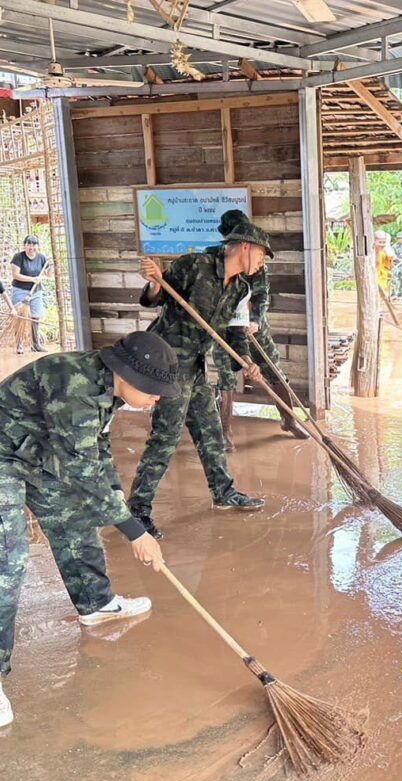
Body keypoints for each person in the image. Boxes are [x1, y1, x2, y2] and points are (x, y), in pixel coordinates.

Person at [0, 331, 175, 728]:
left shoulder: (108, 388)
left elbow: (97, 453)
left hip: (35, 450)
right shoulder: (76, 388)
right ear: (127, 374)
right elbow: (82, 470)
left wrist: (121, 505)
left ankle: (96, 603)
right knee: (8, 559)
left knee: (73, 519)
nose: (157, 398)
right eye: (153, 390)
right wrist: (134, 530)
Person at [130, 221, 270, 539]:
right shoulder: (196, 265)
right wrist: (154, 280)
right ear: (246, 247)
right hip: (167, 362)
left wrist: (245, 361)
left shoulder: (238, 289)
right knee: (165, 437)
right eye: (262, 255)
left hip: (194, 365)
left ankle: (223, 492)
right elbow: (156, 298)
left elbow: (234, 332)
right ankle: (137, 510)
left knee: (210, 430)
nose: (261, 263)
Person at [208, 210, 307, 449]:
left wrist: (255, 320)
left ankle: (289, 419)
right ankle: (225, 432)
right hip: (223, 328)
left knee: (274, 370)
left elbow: (261, 296)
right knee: (227, 377)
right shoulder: (211, 258)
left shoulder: (257, 261)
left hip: (254, 328)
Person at [9, 235, 51, 355]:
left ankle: (36, 344)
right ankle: (19, 344)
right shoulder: (18, 257)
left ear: (37, 246)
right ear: (25, 245)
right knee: (21, 317)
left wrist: (51, 268)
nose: (31, 247)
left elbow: (48, 274)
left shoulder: (41, 258)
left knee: (35, 317)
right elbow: (16, 275)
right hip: (20, 290)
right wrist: (32, 279)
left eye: (34, 244)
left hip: (36, 292)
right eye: (29, 244)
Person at [375, 230, 395, 298]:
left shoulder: (385, 253)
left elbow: (390, 266)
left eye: (384, 242)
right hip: (373, 281)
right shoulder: (370, 253)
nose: (382, 244)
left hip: (382, 281)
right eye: (380, 242)